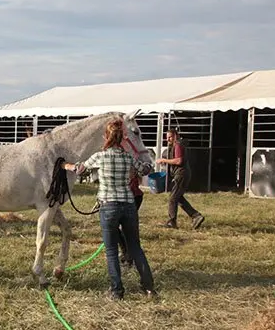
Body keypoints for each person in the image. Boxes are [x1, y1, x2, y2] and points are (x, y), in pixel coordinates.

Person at [64, 118, 156, 301]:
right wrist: (147, 165)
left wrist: (64, 165)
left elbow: (80, 169)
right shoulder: (128, 156)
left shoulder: (99, 156)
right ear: (122, 137)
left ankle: (117, 291)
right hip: (128, 205)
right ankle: (149, 288)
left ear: (105, 137)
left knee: (112, 250)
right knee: (136, 247)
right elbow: (145, 170)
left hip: (108, 206)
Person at [156, 128, 205, 230]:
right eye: (167, 138)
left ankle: (172, 222)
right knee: (178, 198)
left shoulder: (178, 145)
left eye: (170, 137)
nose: (168, 139)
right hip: (180, 174)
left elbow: (179, 161)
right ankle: (196, 216)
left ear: (176, 136)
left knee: (173, 198)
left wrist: (164, 160)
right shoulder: (174, 146)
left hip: (182, 174)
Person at [117, 169, 145, 267]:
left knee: (127, 228)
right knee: (115, 227)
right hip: (124, 197)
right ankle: (126, 253)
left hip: (132, 197)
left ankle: (130, 257)